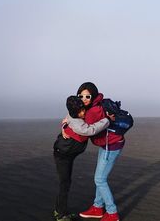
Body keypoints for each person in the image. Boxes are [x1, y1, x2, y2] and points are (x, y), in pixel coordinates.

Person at [72, 82, 125, 221]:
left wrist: (68, 125)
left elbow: (86, 130)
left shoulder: (93, 111)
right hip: (108, 143)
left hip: (111, 145)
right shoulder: (96, 105)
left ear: (93, 95)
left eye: (87, 96)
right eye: (81, 96)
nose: (84, 99)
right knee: (100, 177)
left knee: (100, 179)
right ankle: (97, 207)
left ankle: (112, 213)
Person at [53, 96, 110, 221]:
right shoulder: (79, 124)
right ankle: (60, 214)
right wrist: (107, 120)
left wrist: (63, 126)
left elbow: (67, 117)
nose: (83, 113)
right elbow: (91, 130)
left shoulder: (71, 114)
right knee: (65, 184)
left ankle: (60, 211)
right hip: (62, 155)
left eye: (83, 109)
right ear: (75, 113)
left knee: (66, 183)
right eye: (80, 111)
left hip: (68, 153)